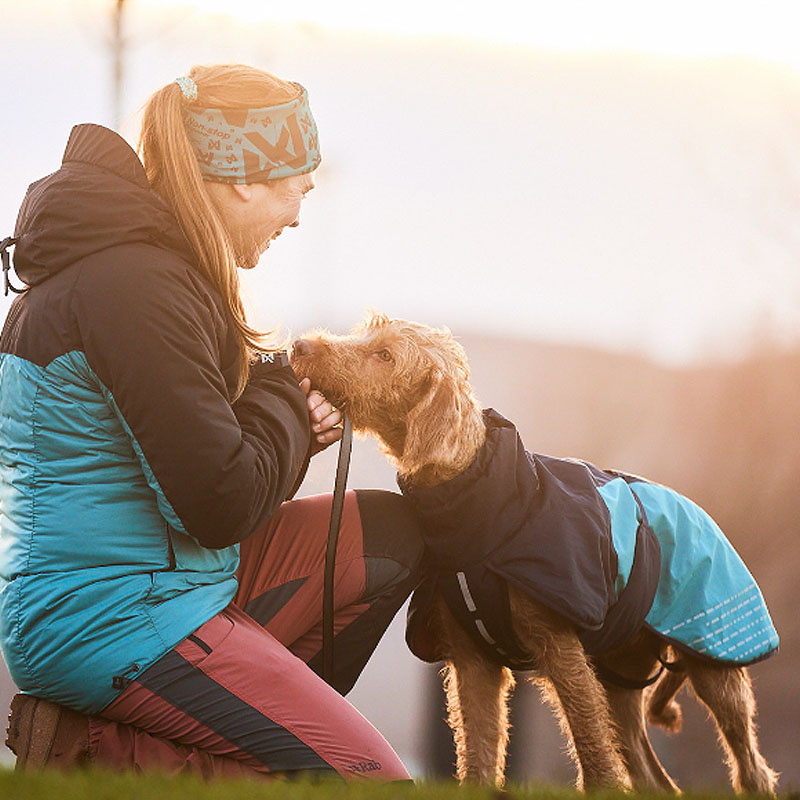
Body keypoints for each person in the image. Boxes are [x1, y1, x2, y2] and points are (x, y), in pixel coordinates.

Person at [0, 64, 424, 780]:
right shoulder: (134, 286)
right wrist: (286, 405)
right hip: (111, 615)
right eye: (297, 183)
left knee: (389, 536)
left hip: (173, 577)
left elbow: (214, 468)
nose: (300, 208)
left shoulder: (147, 273)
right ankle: (93, 746)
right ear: (243, 180)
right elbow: (218, 500)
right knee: (369, 784)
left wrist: (277, 405)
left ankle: (249, 729)